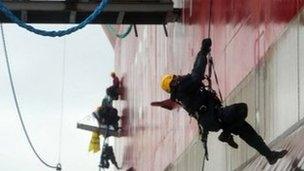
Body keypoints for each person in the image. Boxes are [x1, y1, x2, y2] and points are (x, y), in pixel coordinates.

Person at [157, 38, 287, 165]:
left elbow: (194, 77)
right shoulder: (182, 88)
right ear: (171, 88)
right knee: (241, 109)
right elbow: (196, 74)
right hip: (214, 116)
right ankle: (226, 134)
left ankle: (270, 156)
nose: (176, 79)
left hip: (211, 118)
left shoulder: (180, 92)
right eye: (173, 81)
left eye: (174, 77)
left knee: (246, 131)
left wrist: (202, 54)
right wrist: (203, 51)